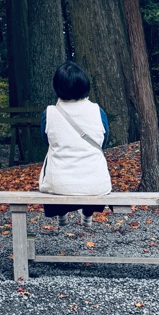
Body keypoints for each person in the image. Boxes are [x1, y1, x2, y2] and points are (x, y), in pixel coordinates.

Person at [38, 61, 111, 228]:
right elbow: (102, 142)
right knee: (88, 182)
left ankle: (61, 213)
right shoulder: (97, 111)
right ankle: (87, 213)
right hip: (96, 184)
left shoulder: (49, 113)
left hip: (60, 184)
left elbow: (46, 140)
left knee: (58, 177)